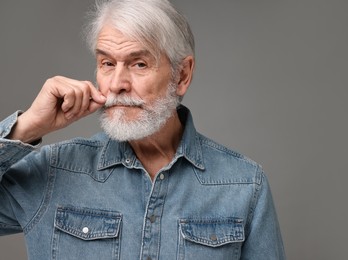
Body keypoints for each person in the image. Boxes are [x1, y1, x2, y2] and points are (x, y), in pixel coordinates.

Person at [0, 0, 285, 259]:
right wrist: (25, 128)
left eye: (139, 64)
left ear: (182, 76)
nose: (117, 83)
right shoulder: (53, 172)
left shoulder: (245, 185)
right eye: (107, 63)